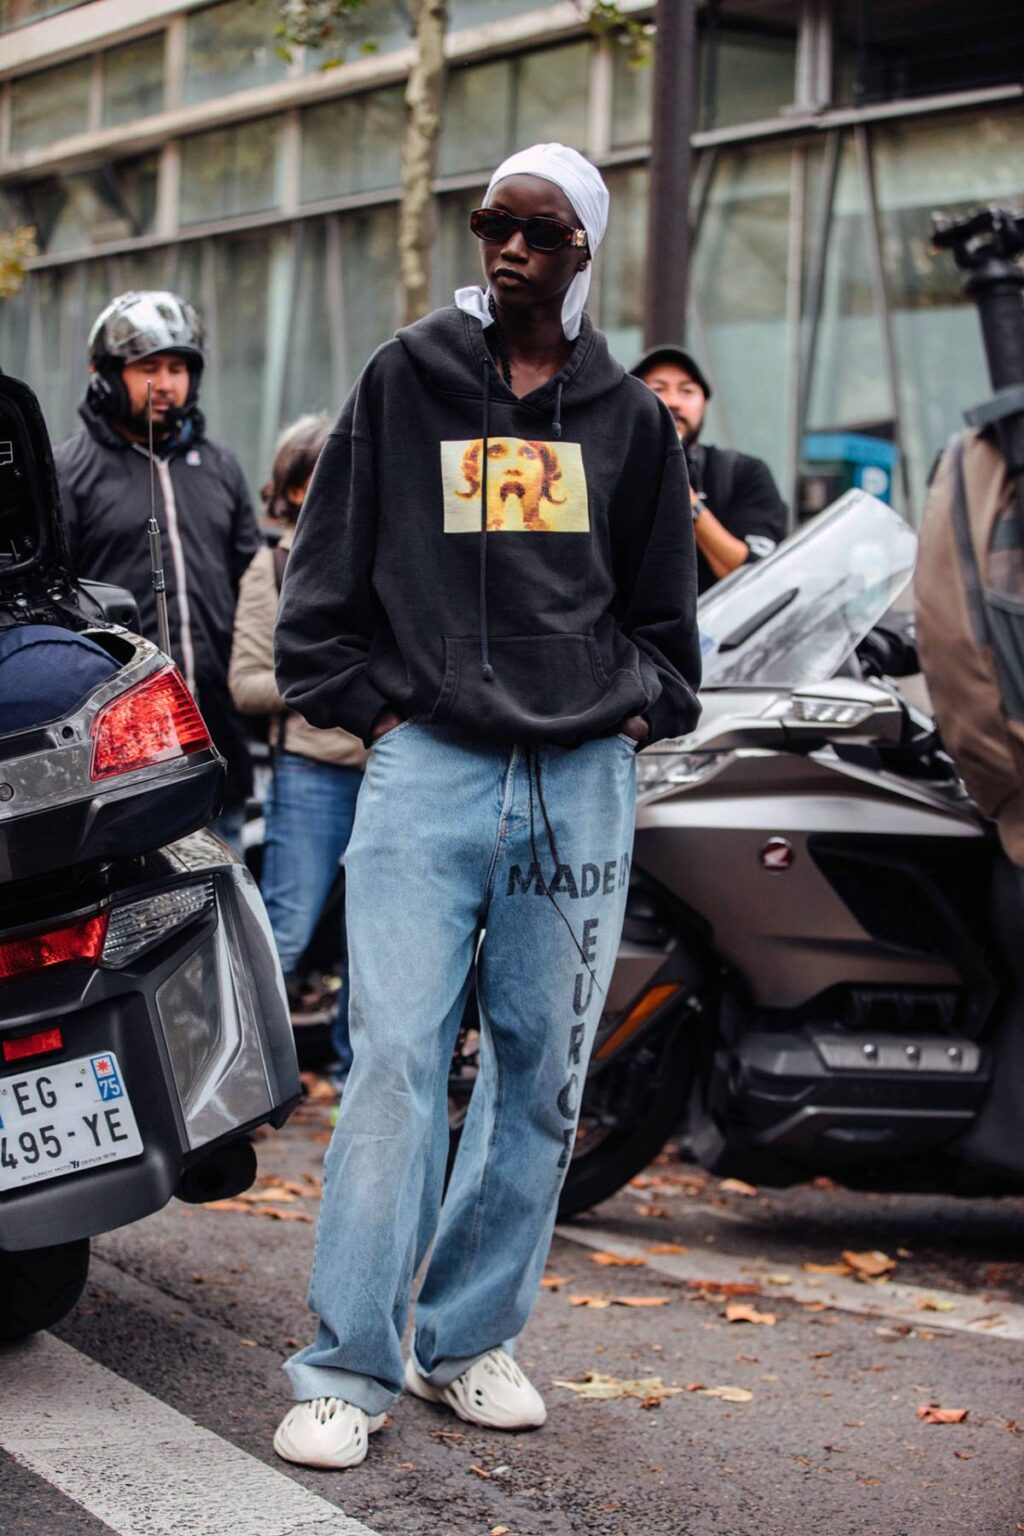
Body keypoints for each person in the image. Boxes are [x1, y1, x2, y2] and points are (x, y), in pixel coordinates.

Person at [272, 142, 701, 1470]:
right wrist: (384, 711)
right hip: (428, 768)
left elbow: (668, 638)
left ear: (584, 254)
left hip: (580, 783)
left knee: (540, 1079)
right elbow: (322, 592)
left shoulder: (628, 420)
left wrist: (629, 710)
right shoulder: (406, 381)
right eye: (492, 227)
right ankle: (346, 1368)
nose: (510, 252)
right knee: (393, 1062)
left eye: (541, 233)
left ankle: (466, 1340)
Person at [53, 291, 261, 853]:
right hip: (119, 762)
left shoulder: (219, 467)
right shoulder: (68, 473)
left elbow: (254, 587)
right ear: (104, 374)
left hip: (221, 742)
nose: (166, 384)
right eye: (148, 368)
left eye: (177, 368)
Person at [229, 414, 367, 1082]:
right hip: (313, 775)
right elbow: (247, 684)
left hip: (393, 772)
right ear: (287, 489)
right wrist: (336, 676)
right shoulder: (274, 565)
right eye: (313, 480)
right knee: (284, 932)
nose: (328, 492)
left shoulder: (384, 549)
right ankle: (247, 1082)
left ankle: (352, 1075)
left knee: (375, 942)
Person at [631, 344, 787, 594]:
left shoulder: (742, 474)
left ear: (704, 404)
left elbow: (753, 576)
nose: (672, 402)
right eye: (657, 389)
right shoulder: (605, 470)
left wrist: (684, 495)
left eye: (687, 391)